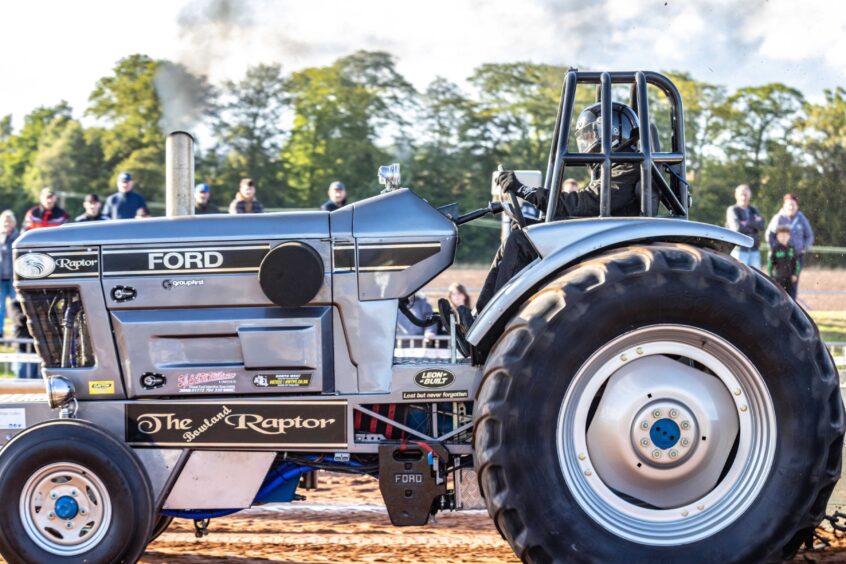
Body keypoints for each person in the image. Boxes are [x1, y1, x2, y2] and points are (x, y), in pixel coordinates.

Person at [477, 101, 643, 313]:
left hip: (608, 238)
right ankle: (483, 312)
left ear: (610, 132)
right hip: (601, 234)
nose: (587, 143)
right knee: (519, 234)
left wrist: (525, 191)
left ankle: (494, 315)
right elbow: (588, 206)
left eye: (590, 136)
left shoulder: (627, 167)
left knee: (520, 241)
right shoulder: (618, 166)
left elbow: (585, 204)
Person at [765, 193, 813, 293]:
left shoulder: (801, 218)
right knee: (777, 285)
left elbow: (809, 236)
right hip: (780, 257)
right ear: (784, 206)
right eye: (789, 205)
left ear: (797, 206)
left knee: (793, 284)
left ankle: (791, 306)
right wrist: (775, 247)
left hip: (796, 257)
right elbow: (769, 234)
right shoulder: (778, 218)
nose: (791, 207)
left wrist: (804, 248)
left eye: (793, 205)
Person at [725, 184, 765, 269]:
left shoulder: (754, 210)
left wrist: (746, 222)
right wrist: (753, 223)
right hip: (739, 251)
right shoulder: (732, 210)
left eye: (746, 195)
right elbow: (737, 228)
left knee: (756, 278)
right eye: (741, 195)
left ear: (750, 195)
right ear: (736, 195)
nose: (744, 198)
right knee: (740, 278)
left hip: (754, 250)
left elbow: (761, 225)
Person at [768, 225, 801, 299]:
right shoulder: (775, 249)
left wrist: (795, 274)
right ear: (777, 237)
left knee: (791, 297)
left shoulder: (792, 249)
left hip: (790, 278)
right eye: (781, 236)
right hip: (778, 279)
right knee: (779, 297)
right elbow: (770, 264)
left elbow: (797, 264)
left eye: (785, 236)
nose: (783, 238)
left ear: (789, 236)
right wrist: (771, 276)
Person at [0, 211, 18, 336]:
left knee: (16, 307)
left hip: (13, 278)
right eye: (5, 221)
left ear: (13, 223)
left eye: (9, 221)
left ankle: (16, 331)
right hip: (1, 279)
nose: (7, 223)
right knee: (0, 307)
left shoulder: (18, 237)